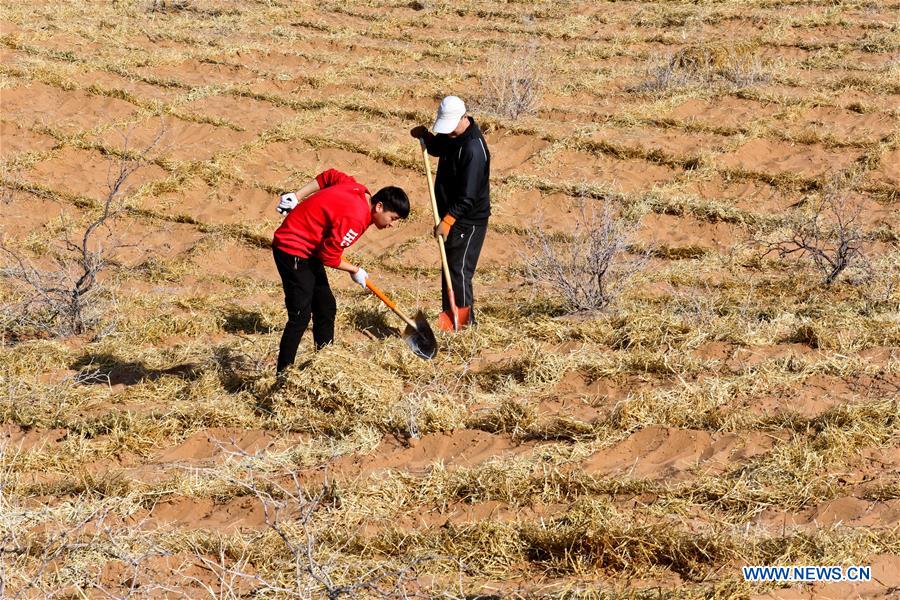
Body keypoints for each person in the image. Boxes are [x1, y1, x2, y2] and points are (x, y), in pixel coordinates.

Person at [272, 169, 409, 373]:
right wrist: (355, 270)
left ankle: (325, 364)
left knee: (326, 306)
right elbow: (329, 256)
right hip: (292, 249)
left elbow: (330, 176)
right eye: (393, 218)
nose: (391, 225)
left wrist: (297, 195)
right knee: (301, 314)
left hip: (310, 249)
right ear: (379, 206)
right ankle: (283, 373)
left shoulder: (358, 189)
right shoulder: (356, 219)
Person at [411, 95, 490, 326]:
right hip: (451, 216)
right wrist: (426, 137)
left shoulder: (473, 149)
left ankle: (464, 326)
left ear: (464, 117)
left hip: (468, 220)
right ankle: (450, 320)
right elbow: (438, 147)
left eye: (451, 127)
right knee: (449, 270)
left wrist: (448, 220)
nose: (449, 132)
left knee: (458, 271)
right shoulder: (454, 136)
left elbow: (468, 197)